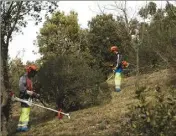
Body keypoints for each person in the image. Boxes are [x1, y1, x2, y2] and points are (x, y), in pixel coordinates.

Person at [16, 64, 40, 132]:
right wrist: (32, 93)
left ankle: (20, 126)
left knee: (24, 111)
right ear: (30, 71)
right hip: (24, 97)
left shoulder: (29, 79)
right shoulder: (23, 78)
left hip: (27, 97)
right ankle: (24, 126)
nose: (34, 74)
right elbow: (22, 89)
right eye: (33, 72)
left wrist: (34, 94)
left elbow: (29, 89)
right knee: (25, 111)